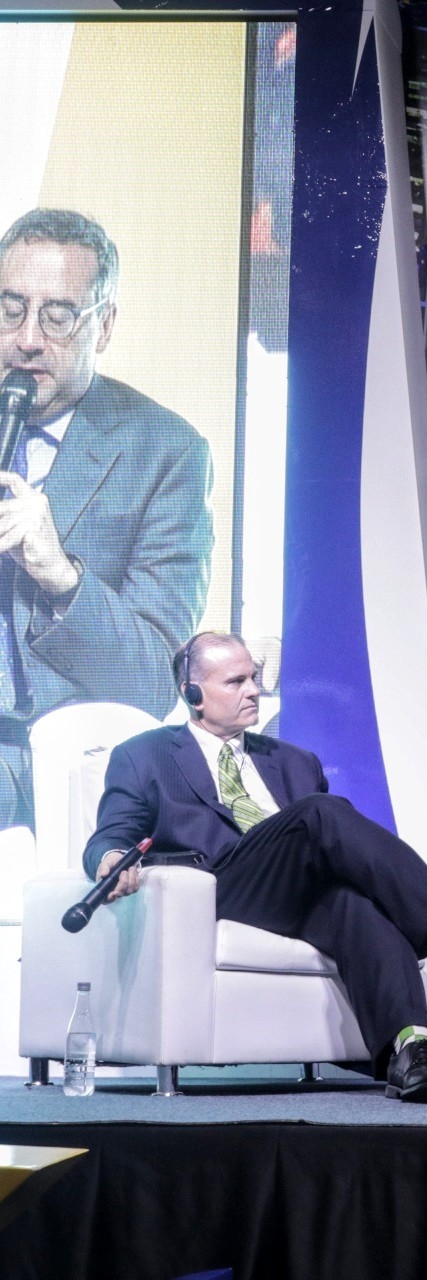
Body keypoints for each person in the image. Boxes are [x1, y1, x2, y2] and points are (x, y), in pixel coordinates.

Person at [84, 633, 427, 1103]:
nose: (254, 690)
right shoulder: (144, 756)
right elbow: (111, 835)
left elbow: (336, 846)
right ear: (193, 694)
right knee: (320, 811)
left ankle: (413, 1050)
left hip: (296, 894)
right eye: (236, 682)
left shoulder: (295, 761)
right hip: (224, 888)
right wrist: (108, 859)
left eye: (254, 677)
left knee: (358, 906)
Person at [0, 208, 214, 826]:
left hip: (64, 778)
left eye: (57, 317)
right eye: (10, 309)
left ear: (104, 326)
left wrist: (60, 576)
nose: (27, 338)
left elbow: (153, 680)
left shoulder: (167, 452)